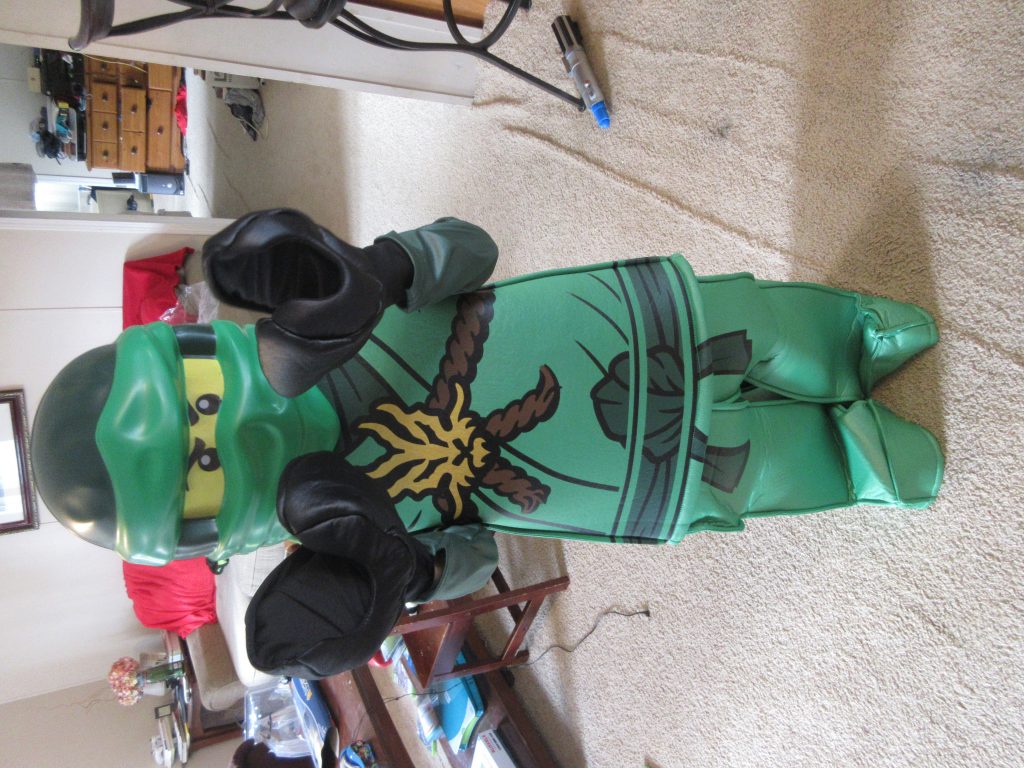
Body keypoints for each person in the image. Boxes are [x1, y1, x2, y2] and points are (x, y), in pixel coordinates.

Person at [30, 209, 943, 677]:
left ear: (194, 341)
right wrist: (398, 571)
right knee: (748, 472)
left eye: (201, 398)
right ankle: (858, 462)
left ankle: (849, 337)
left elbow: (473, 246)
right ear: (210, 540)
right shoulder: (336, 539)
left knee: (748, 324)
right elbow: (477, 553)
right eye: (204, 468)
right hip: (623, 478)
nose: (244, 427)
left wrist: (380, 266)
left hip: (616, 322)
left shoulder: (334, 310)